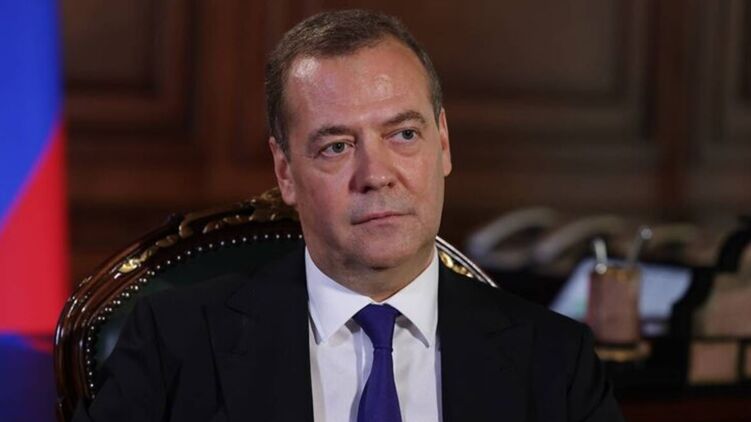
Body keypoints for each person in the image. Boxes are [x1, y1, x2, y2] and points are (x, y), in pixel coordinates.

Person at [73, 9, 623, 422]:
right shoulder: (176, 342)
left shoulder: (555, 361)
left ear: (443, 145)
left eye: (403, 135)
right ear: (285, 172)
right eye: (336, 146)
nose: (376, 175)